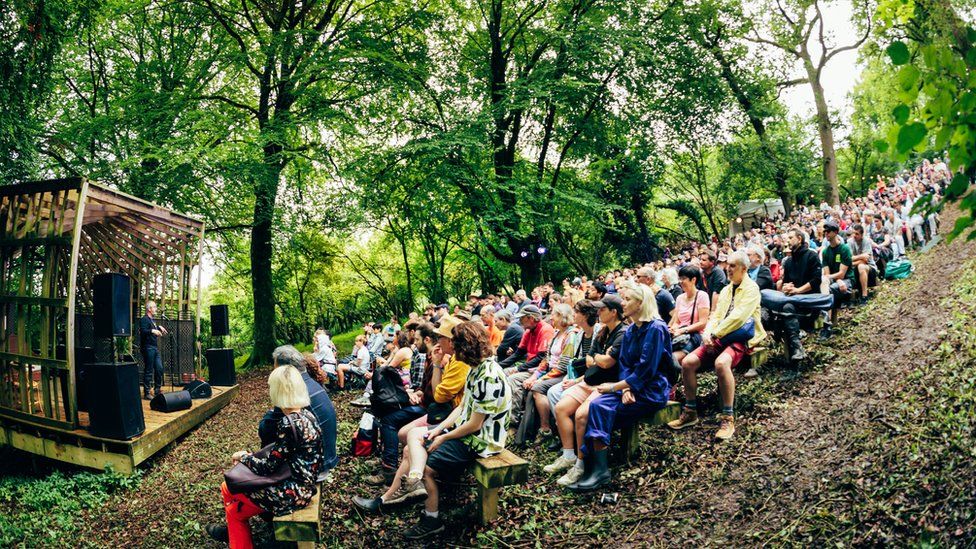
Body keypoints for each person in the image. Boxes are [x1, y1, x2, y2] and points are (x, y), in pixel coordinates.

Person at [352, 321, 511, 540]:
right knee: (413, 441)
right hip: (466, 430)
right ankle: (395, 494)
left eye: (455, 345)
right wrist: (439, 430)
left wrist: (444, 435)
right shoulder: (477, 369)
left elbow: (475, 424)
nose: (452, 349)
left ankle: (431, 518)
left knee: (426, 467)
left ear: (466, 346)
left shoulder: (488, 376)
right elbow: (463, 408)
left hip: (481, 441)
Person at [566, 284, 672, 492]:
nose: (622, 303)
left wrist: (617, 386)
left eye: (627, 299)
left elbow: (646, 369)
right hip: (630, 388)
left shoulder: (656, 328)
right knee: (596, 406)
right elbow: (624, 364)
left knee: (602, 408)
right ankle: (597, 469)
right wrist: (624, 389)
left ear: (640, 303)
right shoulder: (632, 329)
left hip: (651, 390)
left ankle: (598, 471)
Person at [206, 366, 324, 548]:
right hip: (303, 484)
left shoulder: (288, 422)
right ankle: (234, 528)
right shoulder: (307, 414)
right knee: (227, 489)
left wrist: (244, 457)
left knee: (233, 510)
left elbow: (268, 467)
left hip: (293, 492)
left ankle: (237, 535)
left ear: (278, 391)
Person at [668, 250, 767, 441]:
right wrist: (707, 336)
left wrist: (714, 334)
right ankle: (691, 411)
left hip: (741, 338)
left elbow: (738, 318)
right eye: (727, 265)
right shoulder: (726, 290)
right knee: (688, 362)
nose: (728, 269)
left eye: (732, 266)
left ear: (744, 269)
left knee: (721, 363)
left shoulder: (751, 289)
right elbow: (716, 316)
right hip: (718, 336)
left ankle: (728, 417)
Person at [544, 295, 627, 486]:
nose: (598, 313)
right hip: (590, 380)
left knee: (582, 415)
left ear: (613, 312)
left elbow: (608, 363)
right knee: (561, 408)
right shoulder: (603, 332)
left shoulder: (622, 333)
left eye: (602, 309)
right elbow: (590, 360)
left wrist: (599, 359)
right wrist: (600, 358)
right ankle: (568, 455)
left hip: (607, 384)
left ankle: (581, 464)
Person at [368, 323, 439, 486]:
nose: (414, 343)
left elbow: (437, 394)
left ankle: (390, 468)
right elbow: (424, 387)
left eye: (417, 340)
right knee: (386, 411)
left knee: (389, 421)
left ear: (426, 340)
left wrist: (418, 396)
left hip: (429, 409)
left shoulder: (432, 359)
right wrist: (415, 393)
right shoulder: (428, 357)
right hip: (422, 403)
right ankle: (387, 458)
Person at [259, 345, 338, 481]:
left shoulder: (293, 390)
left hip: (313, 469)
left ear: (284, 370)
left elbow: (265, 430)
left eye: (275, 368)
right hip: (326, 458)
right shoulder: (311, 383)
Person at [512, 303, 580, 444]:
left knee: (536, 388)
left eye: (554, 315)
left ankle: (546, 429)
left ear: (562, 316)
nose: (551, 319)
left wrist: (539, 380)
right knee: (530, 388)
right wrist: (535, 376)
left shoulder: (571, 335)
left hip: (563, 374)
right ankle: (525, 433)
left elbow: (562, 366)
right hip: (551, 372)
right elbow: (546, 360)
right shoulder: (556, 334)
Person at [762, 229, 825, 361]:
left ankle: (796, 348)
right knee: (773, 306)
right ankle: (793, 348)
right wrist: (787, 287)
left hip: (810, 304)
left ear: (799, 239)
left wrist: (798, 290)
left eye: (790, 237)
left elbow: (816, 281)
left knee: (787, 308)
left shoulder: (811, 256)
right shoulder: (788, 262)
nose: (787, 241)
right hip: (793, 304)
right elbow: (786, 283)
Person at [668, 265, 710, 367]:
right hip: (679, 336)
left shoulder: (702, 296)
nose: (681, 282)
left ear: (693, 280)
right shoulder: (679, 298)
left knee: (672, 359)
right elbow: (677, 321)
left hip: (694, 336)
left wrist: (683, 330)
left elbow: (702, 323)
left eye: (684, 278)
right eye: (680, 278)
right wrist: (673, 328)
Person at [498, 304, 554, 374]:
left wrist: (518, 368)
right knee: (501, 372)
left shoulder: (545, 330)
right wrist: (499, 365)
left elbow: (541, 358)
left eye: (522, 318)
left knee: (509, 377)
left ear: (531, 318)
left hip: (539, 369)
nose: (520, 320)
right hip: (529, 366)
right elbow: (518, 354)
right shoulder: (528, 331)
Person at [139, 300, 168, 400]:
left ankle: (157, 390)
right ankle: (146, 392)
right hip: (148, 348)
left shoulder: (152, 321)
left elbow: (152, 330)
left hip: (154, 348)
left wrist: (159, 328)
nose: (156, 309)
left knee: (159, 368)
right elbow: (143, 331)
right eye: (154, 307)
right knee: (149, 370)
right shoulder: (144, 319)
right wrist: (153, 330)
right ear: (149, 309)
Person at [848, 224, 878, 305]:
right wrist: (861, 257)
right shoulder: (850, 241)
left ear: (861, 235)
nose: (854, 235)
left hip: (869, 268)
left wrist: (854, 260)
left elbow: (865, 260)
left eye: (857, 234)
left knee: (861, 266)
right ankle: (848, 299)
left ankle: (864, 296)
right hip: (854, 267)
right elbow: (848, 259)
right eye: (853, 233)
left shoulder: (866, 241)